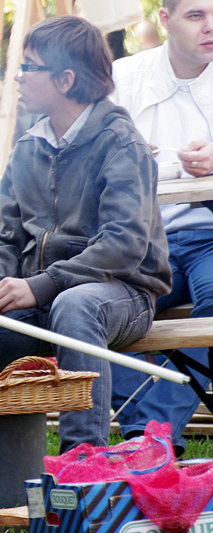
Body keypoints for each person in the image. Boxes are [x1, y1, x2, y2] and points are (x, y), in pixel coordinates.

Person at [0, 15, 170, 457]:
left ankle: (81, 466)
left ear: (66, 80)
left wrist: (42, 285)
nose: (18, 77)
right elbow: (4, 239)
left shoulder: (121, 143)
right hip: (41, 302)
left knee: (75, 304)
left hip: (121, 295)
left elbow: (124, 244)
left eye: (29, 67)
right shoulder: (27, 148)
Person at [108, 0, 213, 455]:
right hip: (141, 239)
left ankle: (147, 437)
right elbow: (82, 159)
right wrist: (121, 157)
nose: (210, 27)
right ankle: (150, 432)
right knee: (88, 304)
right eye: (196, 15)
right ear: (165, 20)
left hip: (209, 237)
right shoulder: (123, 78)